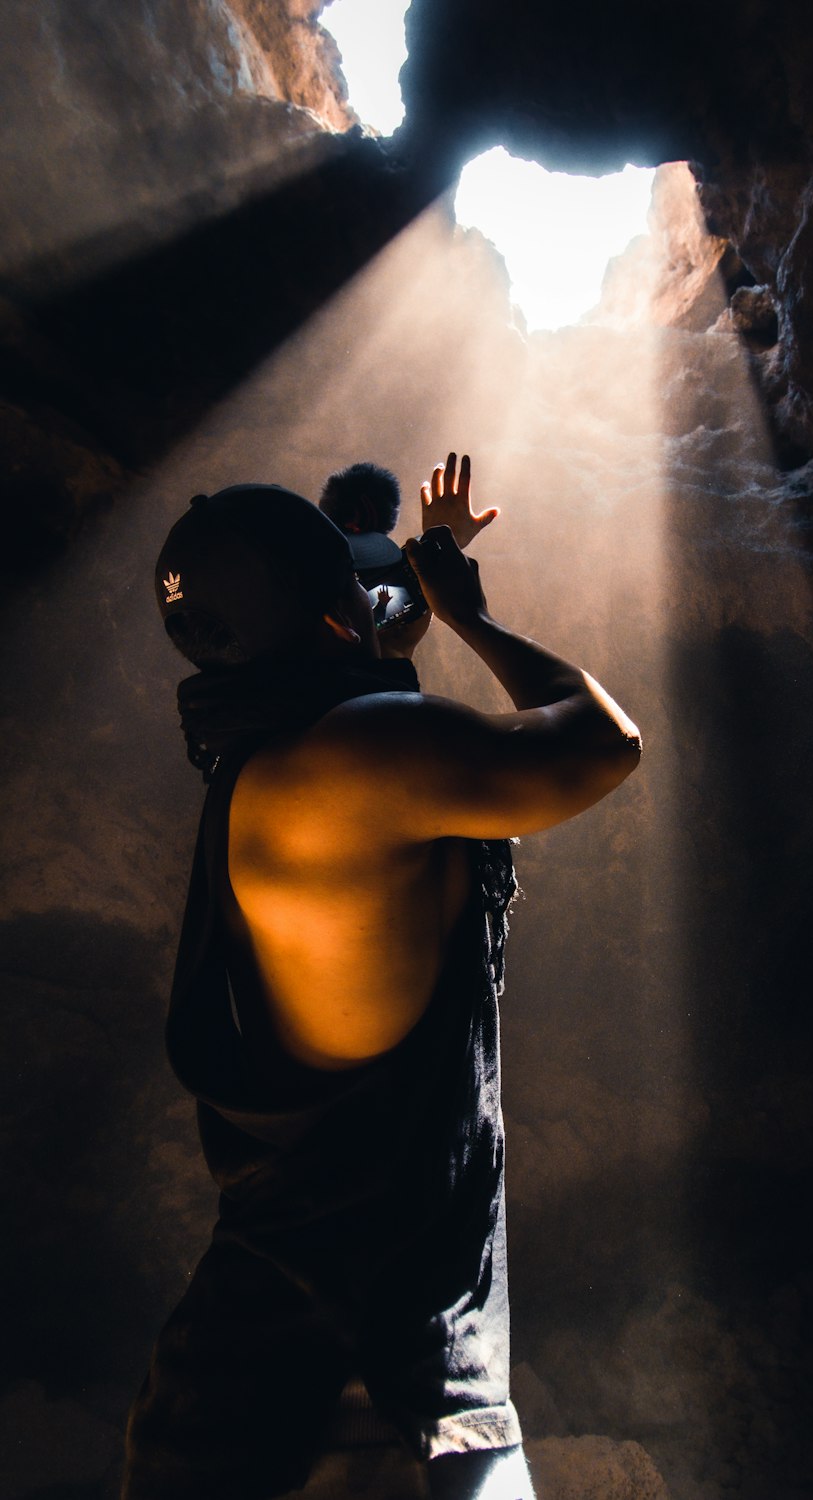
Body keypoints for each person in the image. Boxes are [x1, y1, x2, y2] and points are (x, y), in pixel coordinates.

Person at [124, 453, 640, 1500]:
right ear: (328, 623)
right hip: (374, 1404)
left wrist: (367, 635)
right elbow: (601, 742)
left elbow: (347, 696)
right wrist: (466, 614)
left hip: (231, 1396)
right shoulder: (359, 756)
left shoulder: (261, 764)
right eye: (357, 592)